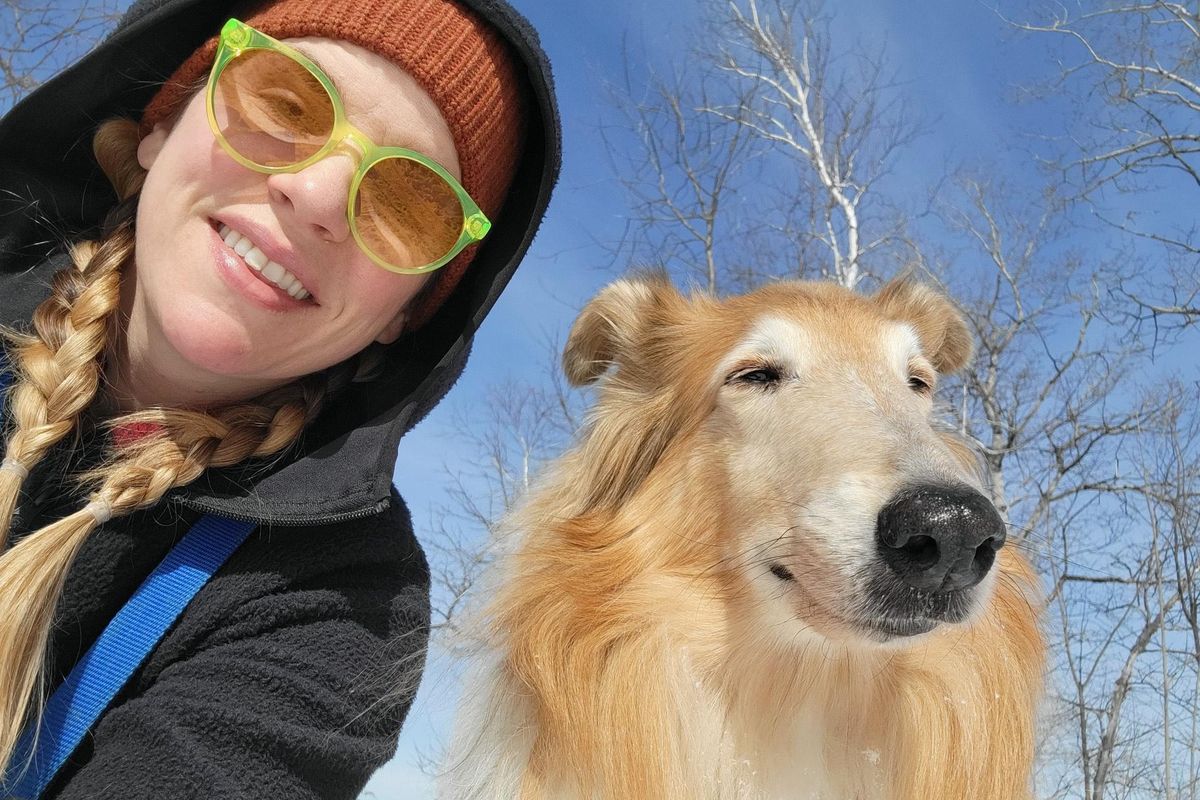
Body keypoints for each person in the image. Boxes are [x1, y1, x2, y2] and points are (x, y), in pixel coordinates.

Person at [0, 0, 559, 795]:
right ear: (160, 128)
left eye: (409, 203)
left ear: (406, 312)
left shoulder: (339, 596)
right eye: (284, 99)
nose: (320, 194)